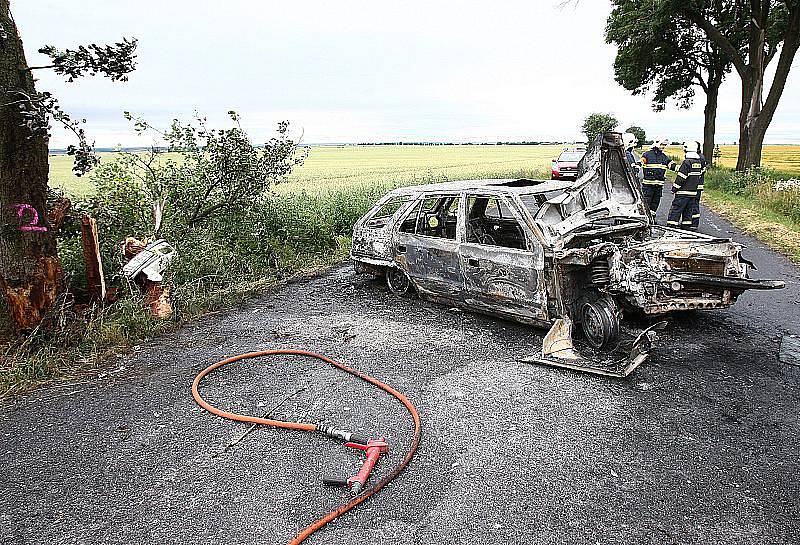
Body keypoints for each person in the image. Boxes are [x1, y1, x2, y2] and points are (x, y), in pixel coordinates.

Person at [667, 141, 706, 231]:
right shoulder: (698, 162)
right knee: (688, 211)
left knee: (676, 209)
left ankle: (671, 227)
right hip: (692, 192)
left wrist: (674, 188)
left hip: (682, 193)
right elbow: (699, 175)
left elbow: (681, 177)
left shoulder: (687, 162)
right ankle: (686, 227)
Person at [641, 137, 677, 218]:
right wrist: (636, 166)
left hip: (659, 186)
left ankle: (652, 218)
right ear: (657, 143)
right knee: (646, 202)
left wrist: (684, 168)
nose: (663, 146)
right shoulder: (647, 154)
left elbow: (671, 165)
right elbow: (641, 162)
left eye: (664, 145)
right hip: (648, 186)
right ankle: (644, 218)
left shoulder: (664, 157)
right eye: (662, 144)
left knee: (655, 203)